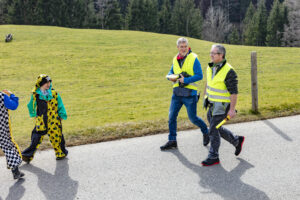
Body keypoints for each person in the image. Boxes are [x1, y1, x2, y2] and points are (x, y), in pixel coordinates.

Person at [160, 37, 209, 150]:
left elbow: (199, 75)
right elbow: (170, 72)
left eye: (185, 46)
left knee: (193, 118)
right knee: (171, 117)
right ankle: (172, 140)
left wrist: (185, 80)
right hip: (177, 93)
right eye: (181, 47)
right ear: (177, 47)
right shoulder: (175, 59)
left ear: (188, 47)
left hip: (190, 94)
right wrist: (170, 78)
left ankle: (206, 132)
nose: (183, 49)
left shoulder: (193, 58)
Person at [202, 44, 245, 166]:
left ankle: (213, 156)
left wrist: (232, 110)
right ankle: (237, 141)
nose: (211, 55)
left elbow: (234, 92)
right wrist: (205, 97)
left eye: (213, 53)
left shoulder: (229, 71)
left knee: (213, 129)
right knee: (216, 128)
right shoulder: (210, 66)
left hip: (222, 106)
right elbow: (208, 82)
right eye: (210, 52)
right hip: (212, 104)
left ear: (221, 55)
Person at [22, 74, 68, 163]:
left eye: (49, 82)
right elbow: (31, 105)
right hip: (42, 121)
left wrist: (62, 115)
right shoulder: (36, 95)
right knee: (36, 138)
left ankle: (61, 153)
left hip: (54, 120)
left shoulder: (54, 93)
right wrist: (33, 114)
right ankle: (27, 155)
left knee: (57, 137)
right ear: (41, 84)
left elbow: (60, 104)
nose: (48, 84)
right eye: (46, 83)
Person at [0, 89, 24, 179]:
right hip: (2, 129)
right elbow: (13, 106)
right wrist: (12, 95)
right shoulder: (2, 96)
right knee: (8, 148)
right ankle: (15, 172)